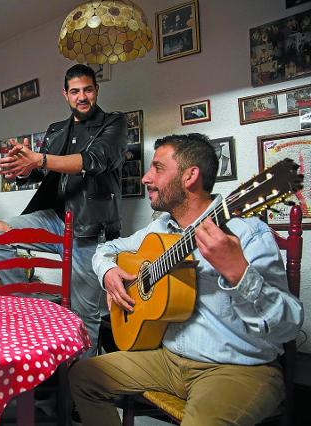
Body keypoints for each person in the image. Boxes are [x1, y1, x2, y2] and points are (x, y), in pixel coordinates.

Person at [69, 134, 303, 425]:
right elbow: (106, 249)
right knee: (82, 376)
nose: (144, 178)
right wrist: (108, 272)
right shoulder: (161, 228)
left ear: (190, 176)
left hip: (237, 369)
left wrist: (238, 273)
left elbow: (289, 326)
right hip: (168, 361)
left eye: (157, 168)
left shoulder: (247, 234)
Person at [0, 64, 127, 356]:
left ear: (96, 91)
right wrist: (21, 170)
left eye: (88, 90)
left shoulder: (114, 124)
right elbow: (43, 172)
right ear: (65, 94)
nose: (82, 97)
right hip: (54, 218)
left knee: (85, 314)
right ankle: (28, 306)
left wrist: (38, 159)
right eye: (75, 91)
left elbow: (93, 161)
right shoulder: (57, 130)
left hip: (89, 229)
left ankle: (81, 383)